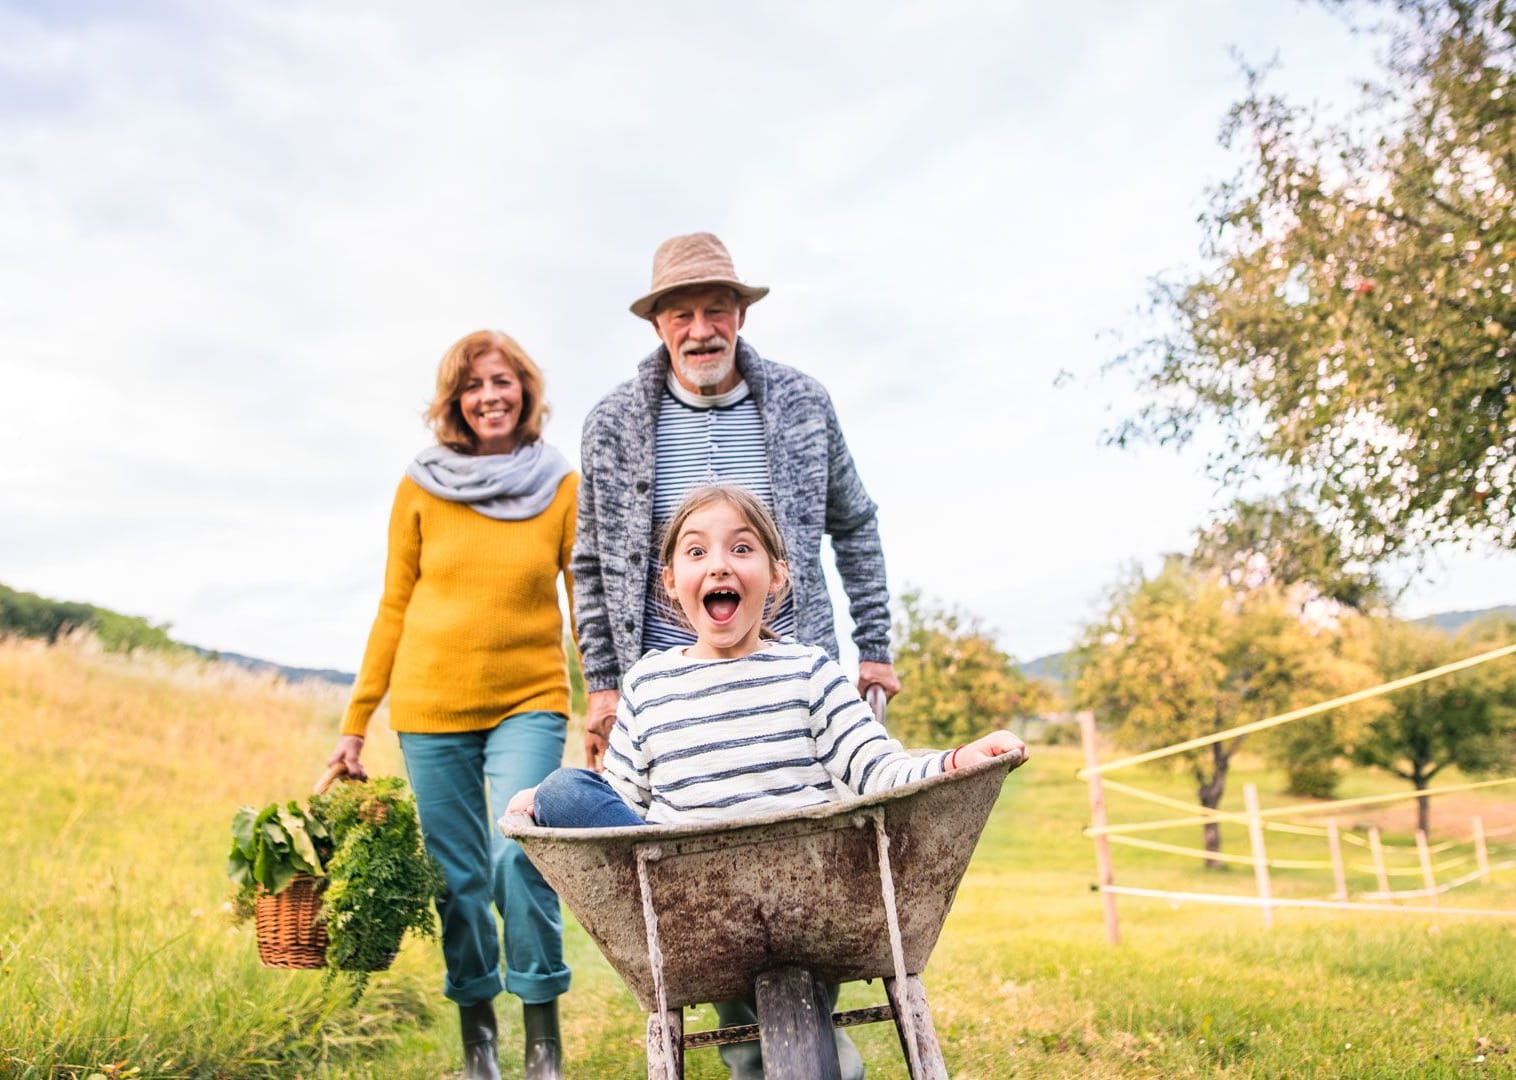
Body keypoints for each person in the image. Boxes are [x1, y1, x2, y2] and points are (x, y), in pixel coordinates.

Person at [509, 485, 1028, 1079]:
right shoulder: (650, 684)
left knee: (777, 1042)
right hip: (687, 904)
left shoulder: (808, 671)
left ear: (777, 575)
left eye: (742, 547)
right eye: (697, 552)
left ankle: (810, 1060)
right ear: (671, 582)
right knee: (564, 790)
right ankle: (803, 1061)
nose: (720, 564)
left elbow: (877, 768)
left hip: (813, 894)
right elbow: (621, 798)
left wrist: (956, 761)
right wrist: (552, 807)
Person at [328, 329, 576, 1080]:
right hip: (430, 706)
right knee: (456, 879)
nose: (490, 396)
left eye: (503, 381)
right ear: (454, 401)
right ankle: (479, 1042)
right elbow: (393, 604)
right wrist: (355, 721)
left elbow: (584, 598)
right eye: (473, 385)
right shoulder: (421, 484)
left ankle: (543, 1041)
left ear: (525, 390)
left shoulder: (559, 484)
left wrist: (604, 703)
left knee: (518, 856)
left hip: (529, 697)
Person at [572, 231, 903, 777]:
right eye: (681, 315)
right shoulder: (612, 425)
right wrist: (604, 686)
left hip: (788, 680)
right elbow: (589, 564)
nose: (701, 331)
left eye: (716, 311)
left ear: (741, 314)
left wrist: (874, 646)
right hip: (666, 692)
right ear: (657, 324)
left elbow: (855, 524)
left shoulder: (803, 405)